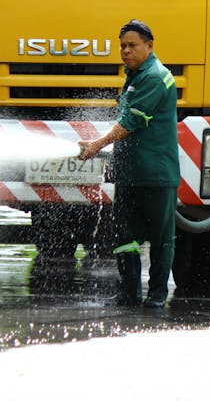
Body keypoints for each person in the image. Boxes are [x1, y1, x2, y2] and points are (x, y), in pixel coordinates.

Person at [78, 19, 179, 308]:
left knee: (161, 241)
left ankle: (157, 295)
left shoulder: (154, 77)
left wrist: (96, 145)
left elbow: (131, 121)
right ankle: (128, 292)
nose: (125, 51)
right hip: (130, 173)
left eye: (132, 45)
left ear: (149, 46)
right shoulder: (135, 75)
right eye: (122, 45)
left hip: (156, 174)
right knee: (125, 236)